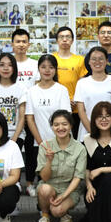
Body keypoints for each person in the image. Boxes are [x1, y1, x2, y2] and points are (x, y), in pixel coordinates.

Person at [25, 54, 71, 195]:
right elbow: (30, 118)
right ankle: (44, 205)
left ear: (55, 70)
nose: (47, 70)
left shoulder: (61, 90)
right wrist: (41, 143)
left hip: (61, 142)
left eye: (51, 67)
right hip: (39, 142)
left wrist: (58, 142)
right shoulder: (31, 91)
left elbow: (65, 118)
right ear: (38, 69)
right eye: (43, 67)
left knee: (60, 179)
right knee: (43, 179)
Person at [34, 110, 86, 222]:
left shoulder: (80, 148)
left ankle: (64, 213)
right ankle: (45, 215)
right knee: (44, 189)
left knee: (57, 211)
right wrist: (49, 161)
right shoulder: (45, 146)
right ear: (52, 127)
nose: (60, 128)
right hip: (50, 186)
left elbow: (77, 178)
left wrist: (63, 196)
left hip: (69, 189)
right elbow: (44, 178)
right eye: (56, 124)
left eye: (64, 124)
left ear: (71, 126)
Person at [74, 47, 111, 139]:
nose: (97, 62)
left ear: (106, 61)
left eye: (101, 59)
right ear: (89, 62)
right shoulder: (82, 83)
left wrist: (106, 132)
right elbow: (81, 111)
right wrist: (92, 132)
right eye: (94, 59)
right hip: (87, 133)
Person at [0, 52, 27, 144]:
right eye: (2, 65)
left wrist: (14, 138)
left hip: (16, 135)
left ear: (14, 68)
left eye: (10, 65)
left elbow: (22, 118)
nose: (6, 68)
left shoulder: (21, 88)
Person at [52, 26, 87, 118]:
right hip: (55, 104)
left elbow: (82, 84)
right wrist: (64, 100)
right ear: (57, 40)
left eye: (68, 37)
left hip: (75, 106)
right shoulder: (51, 59)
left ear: (72, 40)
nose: (64, 40)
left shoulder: (80, 60)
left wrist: (74, 99)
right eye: (61, 37)